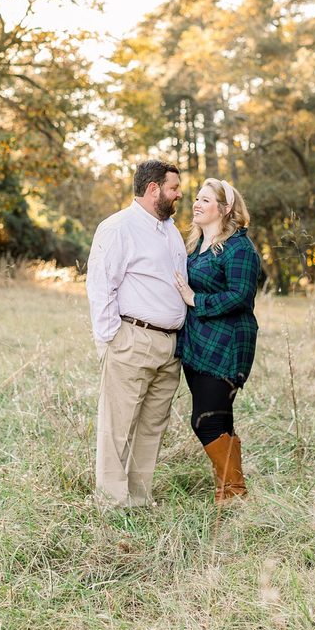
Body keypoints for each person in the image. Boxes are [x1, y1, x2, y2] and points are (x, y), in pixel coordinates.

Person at [86, 159, 187, 508]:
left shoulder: (171, 231)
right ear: (153, 189)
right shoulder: (119, 228)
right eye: (174, 188)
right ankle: (112, 502)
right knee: (117, 427)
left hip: (169, 345)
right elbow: (100, 286)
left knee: (151, 427)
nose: (180, 194)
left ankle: (140, 498)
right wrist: (111, 340)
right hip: (132, 339)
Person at [174, 178, 260, 503]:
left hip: (226, 345)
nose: (196, 203)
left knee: (205, 420)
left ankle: (234, 491)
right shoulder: (196, 246)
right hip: (197, 343)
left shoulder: (239, 247)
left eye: (205, 200)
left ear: (224, 209)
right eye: (196, 198)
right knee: (219, 418)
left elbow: (240, 295)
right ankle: (229, 494)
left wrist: (196, 300)